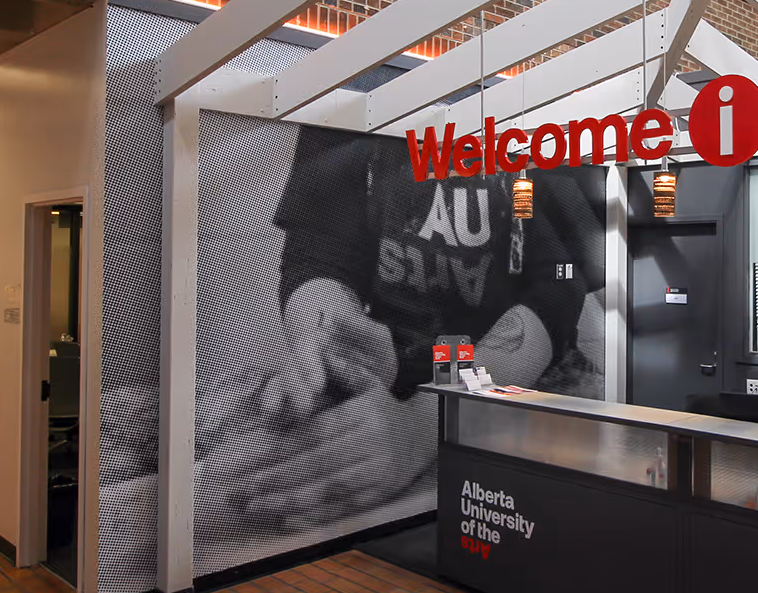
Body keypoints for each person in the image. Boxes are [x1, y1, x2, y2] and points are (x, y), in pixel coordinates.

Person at [193, 125, 605, 537]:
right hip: (389, 366)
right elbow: (320, 253)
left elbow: (555, 288)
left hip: (518, 378)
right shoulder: (349, 85)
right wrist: (330, 347)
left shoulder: (550, 112)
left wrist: (426, 423)